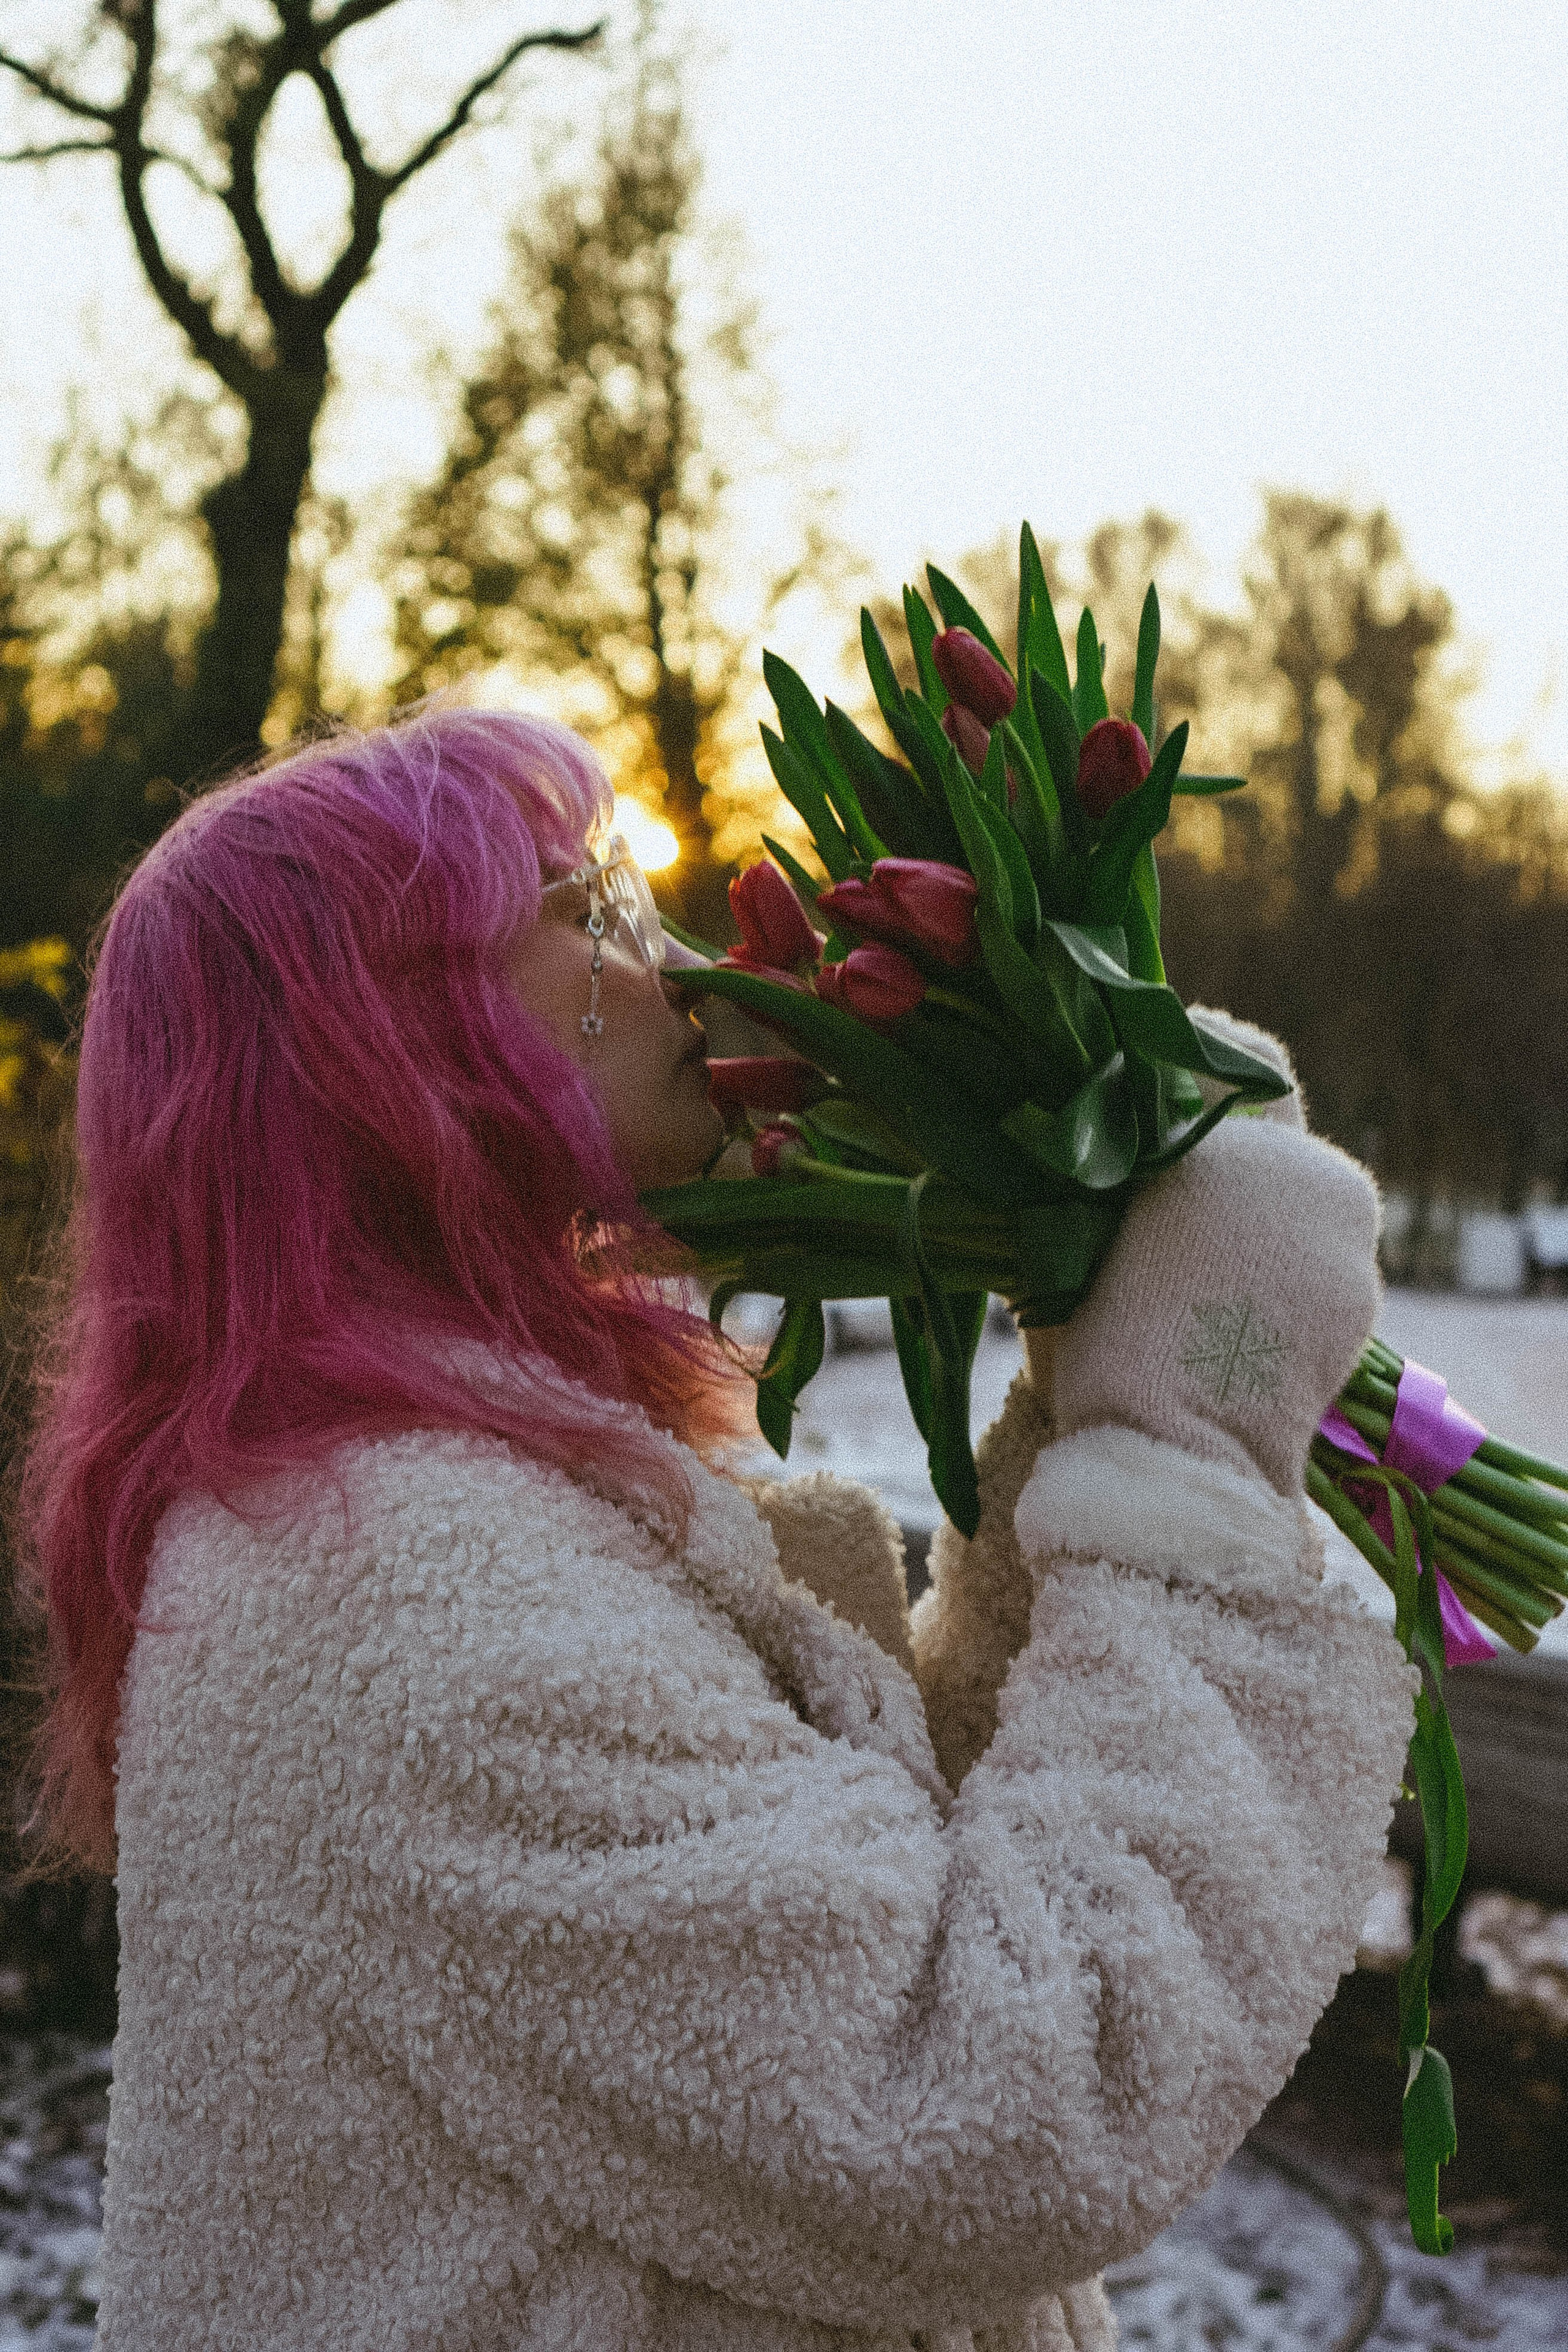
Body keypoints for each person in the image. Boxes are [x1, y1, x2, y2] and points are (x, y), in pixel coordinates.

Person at [9, 706, 1415, 2351]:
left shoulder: (399, 1510)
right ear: (381, 1042)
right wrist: (1189, 1438)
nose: (675, 961)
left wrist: (1091, 1389)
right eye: (587, 909)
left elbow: (879, 1883)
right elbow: (1002, 2095)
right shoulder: (407, 1600)